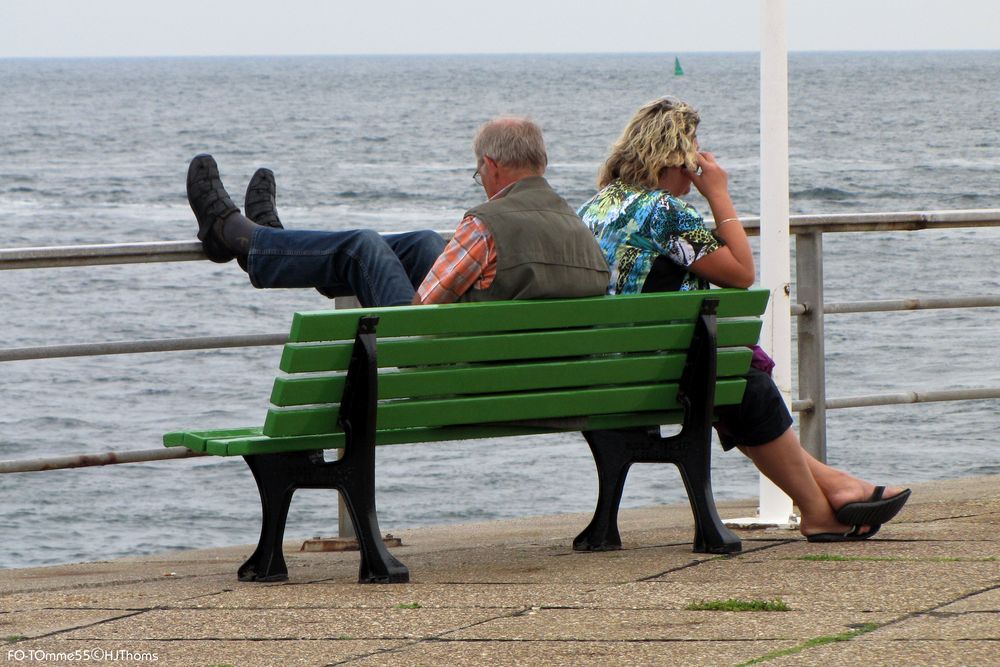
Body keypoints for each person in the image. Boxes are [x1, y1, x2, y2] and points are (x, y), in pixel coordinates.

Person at [577, 97, 911, 542]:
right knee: (744, 384)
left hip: (604, 370)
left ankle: (838, 487)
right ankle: (816, 509)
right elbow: (740, 272)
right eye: (695, 151)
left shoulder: (596, 207)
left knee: (736, 378)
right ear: (677, 157)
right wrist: (719, 194)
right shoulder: (663, 212)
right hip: (654, 374)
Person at [186, 116, 609, 307]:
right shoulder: (581, 231)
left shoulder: (485, 227)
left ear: (492, 167)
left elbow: (421, 314)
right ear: (541, 165)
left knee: (361, 247)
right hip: (526, 379)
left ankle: (238, 235)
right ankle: (275, 242)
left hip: (455, 373)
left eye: (479, 173)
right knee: (424, 241)